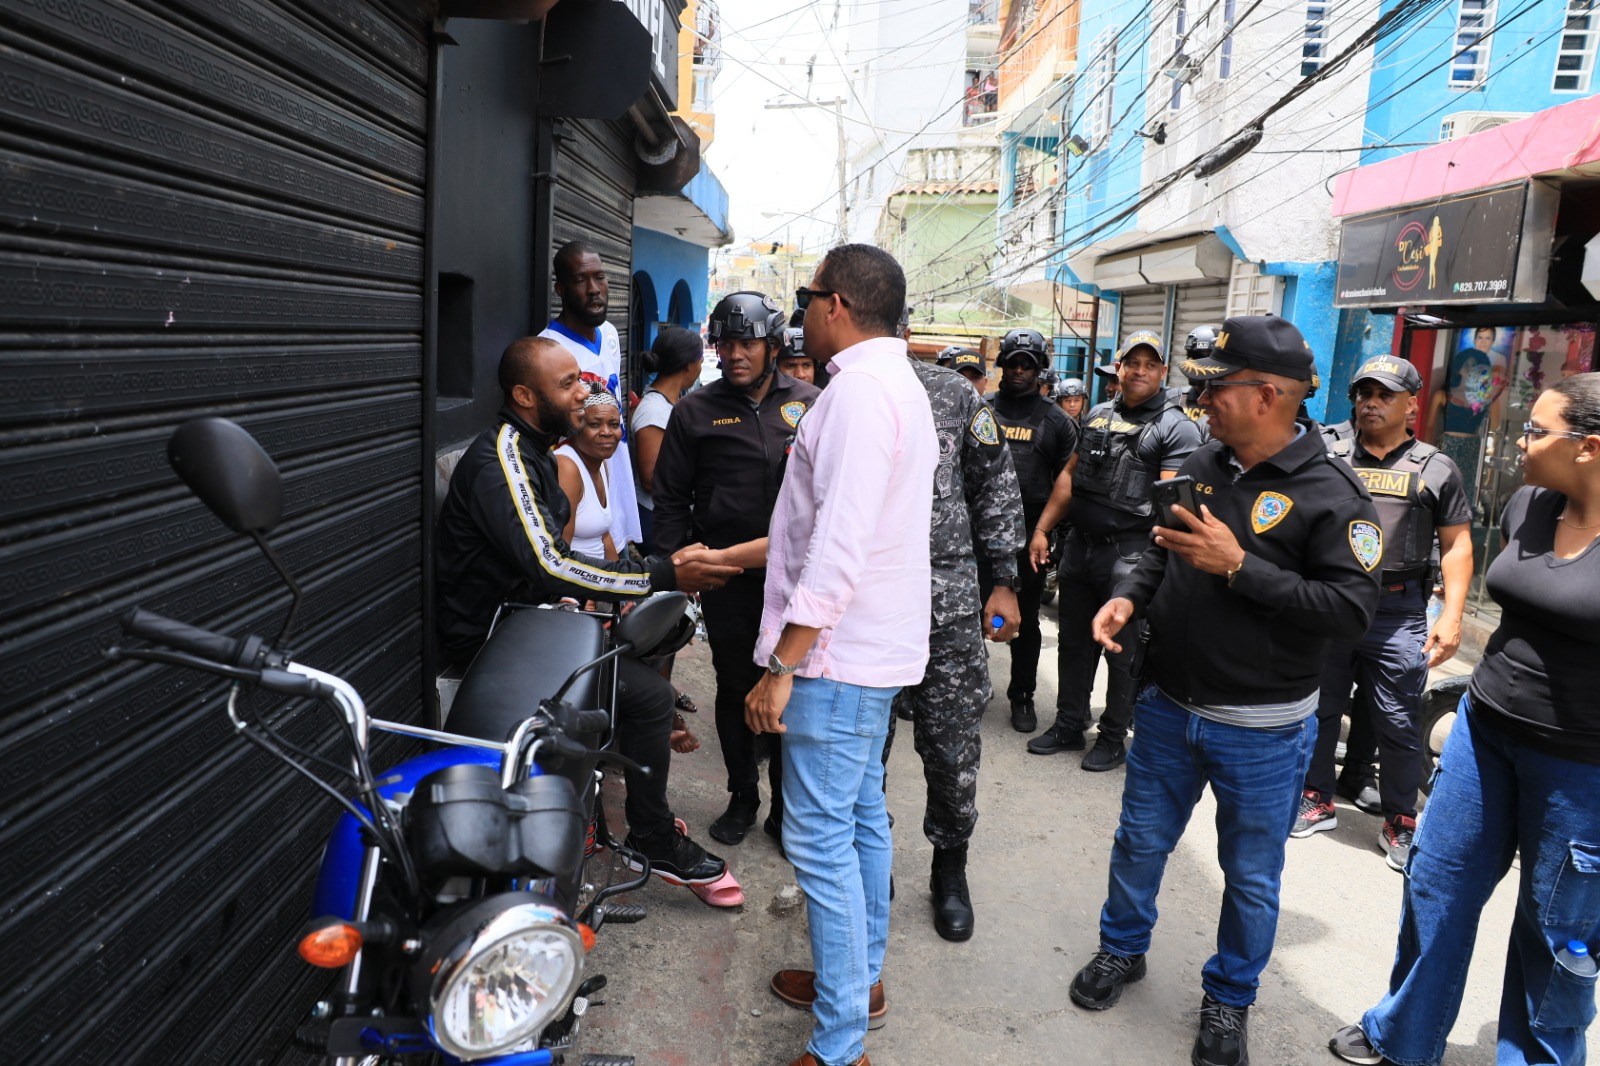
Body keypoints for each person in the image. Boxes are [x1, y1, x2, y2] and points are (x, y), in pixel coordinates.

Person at [1069, 315, 1380, 1066]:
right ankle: (1122, 948)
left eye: (1216, 388)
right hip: (1168, 705)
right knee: (1140, 842)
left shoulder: (1335, 493)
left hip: (1264, 730)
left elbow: (1349, 613)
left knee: (1249, 877)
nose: (1202, 400)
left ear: (1267, 395)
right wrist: (1129, 596)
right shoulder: (1206, 460)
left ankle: (1229, 997)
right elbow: (1162, 546)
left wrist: (1241, 566)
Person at [1329, 372, 1600, 1066]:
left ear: (1589, 446)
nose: (1520, 442)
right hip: (1486, 732)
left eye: (1536, 430)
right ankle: (1403, 1034)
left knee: (1556, 930)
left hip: (1581, 767)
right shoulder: (1530, 505)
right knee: (1436, 885)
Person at [433, 336, 742, 896]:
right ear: (525, 396)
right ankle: (629, 837)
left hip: (533, 626)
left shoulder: (537, 449)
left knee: (649, 695)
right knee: (643, 697)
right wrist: (661, 575)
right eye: (568, 383)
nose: (583, 393)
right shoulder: (504, 457)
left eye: (580, 378)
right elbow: (550, 563)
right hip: (494, 645)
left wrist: (647, 574)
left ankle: (632, 832)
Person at [748, 244, 936, 1066]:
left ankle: (838, 1047)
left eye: (809, 294)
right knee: (858, 822)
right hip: (867, 652)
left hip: (836, 657)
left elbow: (837, 545)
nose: (802, 311)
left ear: (836, 305)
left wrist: (781, 666)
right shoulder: (893, 383)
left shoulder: (860, 393)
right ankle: (856, 986)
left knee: (822, 843)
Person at [652, 292, 821, 847]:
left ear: (773, 345)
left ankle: (786, 805)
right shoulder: (694, 411)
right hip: (728, 580)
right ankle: (743, 795)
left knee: (794, 688)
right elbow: (670, 499)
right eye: (725, 344)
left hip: (799, 581)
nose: (734, 355)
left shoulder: (814, 403)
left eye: (747, 344)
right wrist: (674, 576)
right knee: (735, 687)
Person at [1290, 355, 1473, 870]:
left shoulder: (1436, 467)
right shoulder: (1326, 451)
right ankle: (1316, 797)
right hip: (1331, 599)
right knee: (1319, 708)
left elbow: (1457, 544)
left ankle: (1400, 819)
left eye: (1384, 395)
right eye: (1363, 393)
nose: (1370, 403)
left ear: (1412, 404)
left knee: (1398, 720)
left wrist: (1452, 615)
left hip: (1397, 610)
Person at [886, 345, 1024, 942]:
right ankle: (872, 859)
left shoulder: (952, 393)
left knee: (950, 745)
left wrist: (1006, 582)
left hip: (947, 603)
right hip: (866, 608)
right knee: (863, 748)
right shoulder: (842, 392)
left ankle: (950, 866)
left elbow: (996, 486)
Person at [1025, 332, 1203, 770]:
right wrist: (1043, 528)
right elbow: (1069, 476)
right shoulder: (1099, 415)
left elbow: (1174, 506)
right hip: (1081, 549)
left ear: (1163, 371)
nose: (1140, 371)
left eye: (1150, 364)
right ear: (1119, 368)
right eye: (1132, 363)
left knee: (1122, 650)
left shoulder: (1175, 426)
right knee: (1073, 642)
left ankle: (1111, 737)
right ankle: (1069, 724)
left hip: (1131, 556)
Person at [989, 327, 1080, 732]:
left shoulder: (1057, 421)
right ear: (1002, 366)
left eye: (1028, 364)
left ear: (1040, 368)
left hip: (1029, 537)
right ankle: (965, 687)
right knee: (965, 614)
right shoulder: (981, 409)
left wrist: (1051, 536)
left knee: (1024, 621)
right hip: (977, 535)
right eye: (1013, 363)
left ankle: (1022, 695)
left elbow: (1067, 485)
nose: (1020, 370)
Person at [539, 240, 643, 548]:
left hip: (616, 485)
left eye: (599, 277)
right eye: (581, 280)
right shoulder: (548, 350)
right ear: (560, 289)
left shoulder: (609, 332)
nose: (594, 289)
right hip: (581, 505)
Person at [632, 326, 703, 555]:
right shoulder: (654, 411)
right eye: (701, 360)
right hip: (655, 518)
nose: (701, 367)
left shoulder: (673, 403)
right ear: (689, 364)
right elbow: (650, 479)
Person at [554, 385, 623, 559]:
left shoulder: (602, 464)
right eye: (594, 424)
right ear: (576, 429)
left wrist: (622, 575)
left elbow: (604, 536)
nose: (606, 432)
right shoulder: (567, 467)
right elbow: (560, 554)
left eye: (614, 424)